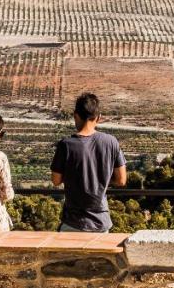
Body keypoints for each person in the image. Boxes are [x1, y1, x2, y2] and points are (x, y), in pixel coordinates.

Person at [50, 92, 127, 233]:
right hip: (101, 222)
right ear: (99, 117)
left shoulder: (66, 145)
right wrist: (99, 180)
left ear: (75, 115)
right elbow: (122, 180)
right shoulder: (111, 142)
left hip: (73, 222)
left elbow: (55, 180)